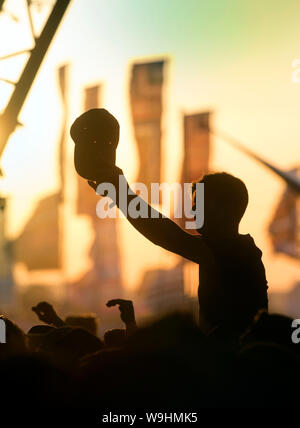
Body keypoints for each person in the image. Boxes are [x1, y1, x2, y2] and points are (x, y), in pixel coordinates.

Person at [88, 165, 268, 338]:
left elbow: (165, 234)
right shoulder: (235, 249)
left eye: (199, 203)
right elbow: (166, 234)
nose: (192, 210)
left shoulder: (233, 252)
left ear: (224, 209)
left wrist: (121, 193)